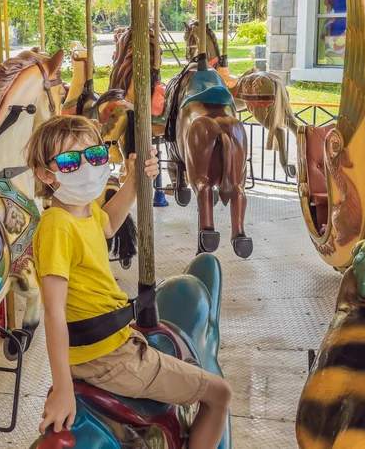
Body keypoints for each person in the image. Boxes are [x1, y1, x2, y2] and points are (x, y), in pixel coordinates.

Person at [26, 115, 232, 449]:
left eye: (94, 156)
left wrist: (133, 183)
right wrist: (62, 388)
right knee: (220, 394)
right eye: (69, 161)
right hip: (108, 359)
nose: (87, 167)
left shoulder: (82, 209)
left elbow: (106, 225)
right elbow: (54, 313)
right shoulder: (56, 227)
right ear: (45, 175)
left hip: (114, 339)